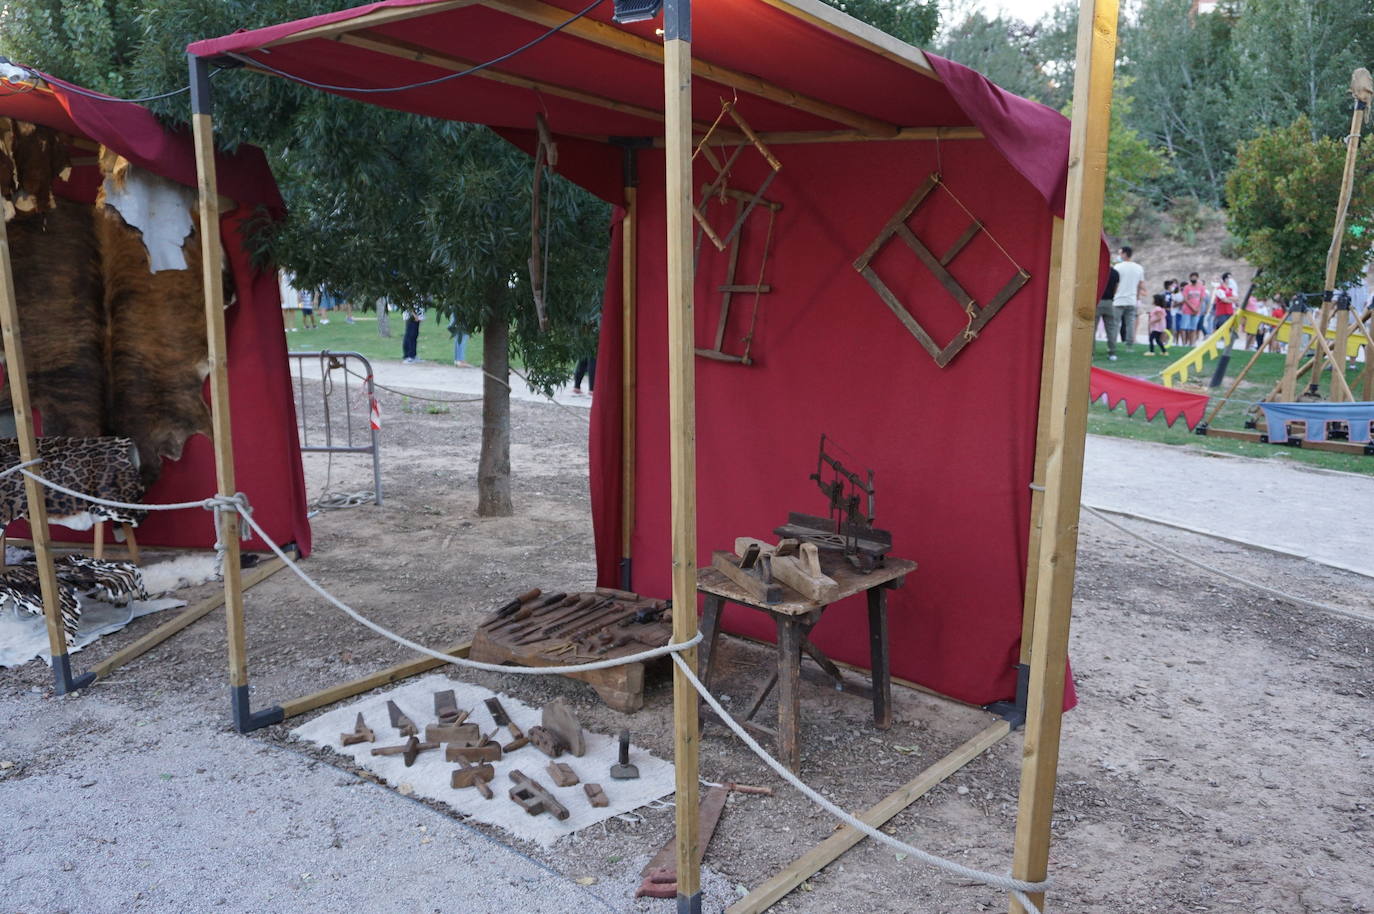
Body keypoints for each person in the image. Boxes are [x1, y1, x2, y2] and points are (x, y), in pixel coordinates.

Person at [1112, 246, 1145, 350]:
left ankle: (1112, 344)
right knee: (1130, 324)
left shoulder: (1117, 267)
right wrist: (1137, 298)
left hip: (1118, 299)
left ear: (1125, 254)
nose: (1119, 255)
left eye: (1120, 253)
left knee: (1115, 323)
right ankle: (1129, 345)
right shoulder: (1139, 268)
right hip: (1131, 300)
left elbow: (1114, 284)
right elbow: (1140, 285)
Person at [1096, 264, 1121, 360]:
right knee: (1111, 329)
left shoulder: (1098, 270)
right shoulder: (1115, 273)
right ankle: (1112, 353)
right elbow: (1116, 288)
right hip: (1109, 303)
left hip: (1098, 301)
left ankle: (1091, 354)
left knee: (1092, 329)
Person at [1179, 272, 1207, 346]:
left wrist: (1198, 308)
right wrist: (1192, 307)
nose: (1193, 279)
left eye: (1195, 277)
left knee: (1193, 328)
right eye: (1192, 277)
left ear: (1197, 278)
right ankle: (1184, 343)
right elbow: (1185, 299)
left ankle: (1192, 343)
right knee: (1184, 327)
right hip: (1187, 310)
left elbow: (1202, 299)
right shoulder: (1187, 287)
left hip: (1197, 310)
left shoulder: (1201, 287)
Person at [1212, 272, 1238, 338]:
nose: (1230, 280)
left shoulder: (1231, 289)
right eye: (1229, 278)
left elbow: (1236, 298)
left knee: (1228, 327)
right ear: (1225, 279)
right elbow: (1224, 300)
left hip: (1230, 311)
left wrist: (1228, 298)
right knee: (1221, 326)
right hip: (1222, 312)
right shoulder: (1219, 289)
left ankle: (1225, 339)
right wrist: (1231, 299)